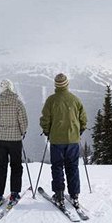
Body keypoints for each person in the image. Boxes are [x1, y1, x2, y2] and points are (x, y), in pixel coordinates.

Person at [39, 73, 87, 207]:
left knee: (57, 166)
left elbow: (45, 119)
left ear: (56, 85)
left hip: (56, 140)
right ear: (67, 84)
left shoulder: (51, 100)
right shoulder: (75, 100)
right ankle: (74, 195)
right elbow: (83, 119)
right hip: (73, 139)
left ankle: (59, 194)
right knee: (73, 167)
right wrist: (80, 130)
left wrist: (47, 131)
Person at [0, 79, 28, 205]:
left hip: (0, 140)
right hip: (15, 140)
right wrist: (22, 133)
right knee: (16, 167)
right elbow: (24, 122)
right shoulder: (18, 104)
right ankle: (14, 193)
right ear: (12, 88)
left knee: (0, 168)